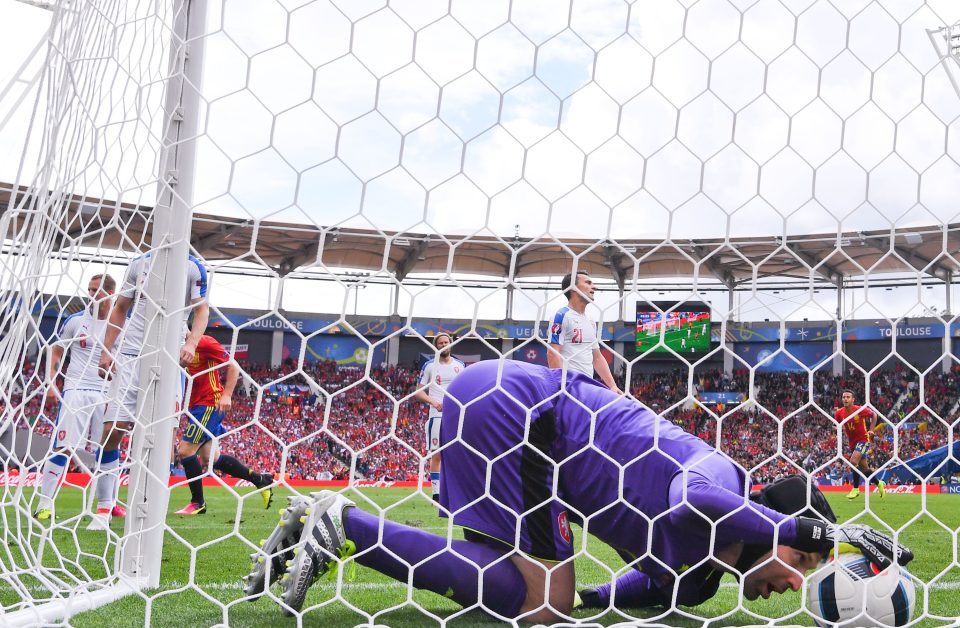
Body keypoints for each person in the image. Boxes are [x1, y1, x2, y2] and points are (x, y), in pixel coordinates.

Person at [244, 360, 912, 619]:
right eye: (799, 566)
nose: (794, 583)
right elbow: (694, 503)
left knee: (525, 597)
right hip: (522, 414)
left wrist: (597, 597)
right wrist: (819, 533)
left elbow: (651, 590)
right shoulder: (721, 473)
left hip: (504, 413)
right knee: (544, 609)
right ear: (770, 522)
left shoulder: (701, 576)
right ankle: (344, 524)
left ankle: (338, 526)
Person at [91, 253, 209, 529]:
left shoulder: (194, 267)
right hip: (132, 351)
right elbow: (121, 307)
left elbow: (201, 311)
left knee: (164, 433)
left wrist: (191, 343)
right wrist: (107, 351)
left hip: (170, 353)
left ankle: (154, 506)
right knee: (112, 429)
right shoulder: (139, 263)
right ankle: (104, 507)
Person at [34, 274, 116, 521]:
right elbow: (56, 350)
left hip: (108, 393)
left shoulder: (123, 324)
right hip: (76, 390)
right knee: (63, 446)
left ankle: (106, 506)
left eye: (97, 290)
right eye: (90, 290)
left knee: (109, 446)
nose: (91, 295)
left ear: (111, 293)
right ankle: (45, 504)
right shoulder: (75, 321)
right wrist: (50, 381)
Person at [174, 334, 274, 515]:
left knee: (185, 451)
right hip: (195, 405)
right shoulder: (174, 346)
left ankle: (198, 503)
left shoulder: (203, 341)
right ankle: (260, 480)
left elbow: (233, 366)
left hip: (209, 403)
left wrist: (227, 394)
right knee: (210, 459)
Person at [548, 270, 621, 394]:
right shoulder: (561, 316)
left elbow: (597, 357)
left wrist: (612, 386)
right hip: (569, 385)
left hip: (587, 386)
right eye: (588, 283)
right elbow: (553, 353)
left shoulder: (591, 321)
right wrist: (561, 386)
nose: (594, 287)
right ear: (573, 288)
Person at [413, 333, 464, 502]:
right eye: (440, 343)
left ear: (451, 344)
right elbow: (418, 391)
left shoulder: (460, 365)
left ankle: (456, 491)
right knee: (437, 454)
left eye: (446, 342)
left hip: (456, 415)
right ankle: (436, 493)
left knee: (456, 453)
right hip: (437, 415)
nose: (443, 345)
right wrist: (433, 402)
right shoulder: (429, 366)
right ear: (436, 346)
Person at [835, 389, 886, 500]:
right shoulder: (839, 413)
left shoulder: (859, 410)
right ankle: (879, 484)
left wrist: (871, 430)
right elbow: (839, 425)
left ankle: (856, 488)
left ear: (853, 400)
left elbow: (874, 415)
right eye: (844, 397)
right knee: (864, 469)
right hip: (852, 443)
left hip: (863, 440)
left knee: (853, 461)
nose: (845, 399)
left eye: (848, 397)